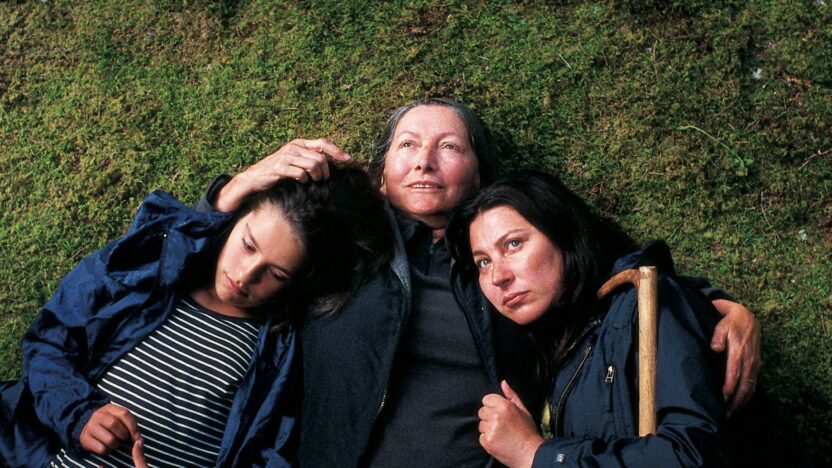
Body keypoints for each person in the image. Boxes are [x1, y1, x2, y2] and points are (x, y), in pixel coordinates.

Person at [201, 97, 761, 466]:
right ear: (379, 176)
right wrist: (235, 189)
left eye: (449, 147)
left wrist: (716, 304)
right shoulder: (337, 234)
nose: (425, 161)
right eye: (406, 145)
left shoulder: (513, 243)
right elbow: (211, 261)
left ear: (479, 175)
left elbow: (609, 265)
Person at [0, 165, 391, 467]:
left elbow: (272, 455)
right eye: (247, 245)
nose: (245, 276)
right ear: (234, 221)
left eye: (275, 274)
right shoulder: (149, 268)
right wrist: (77, 414)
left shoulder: (279, 354)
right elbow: (49, 339)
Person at [446, 170, 732, 466]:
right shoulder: (554, 351)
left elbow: (695, 455)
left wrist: (535, 454)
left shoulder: (644, 303)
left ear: (563, 234)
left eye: (513, 244)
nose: (498, 276)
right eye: (483, 261)